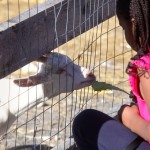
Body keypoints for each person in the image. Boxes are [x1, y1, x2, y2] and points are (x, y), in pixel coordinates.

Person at [72, 0, 150, 149]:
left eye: (123, 28)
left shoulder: (146, 71)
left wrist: (129, 118)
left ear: (134, 24)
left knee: (86, 123)